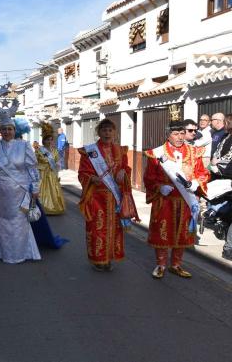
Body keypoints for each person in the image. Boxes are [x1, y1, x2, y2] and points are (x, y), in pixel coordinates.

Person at [144, 120, 210, 279]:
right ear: (168, 135)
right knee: (163, 232)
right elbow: (149, 177)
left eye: (182, 133)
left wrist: (196, 183)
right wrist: (159, 187)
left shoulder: (194, 152)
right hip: (164, 201)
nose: (180, 137)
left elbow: (203, 173)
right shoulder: (157, 153)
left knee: (182, 234)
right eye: (176, 133)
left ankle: (176, 265)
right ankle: (161, 265)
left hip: (186, 201)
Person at [0, 91, 42, 264]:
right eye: (4, 129)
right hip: (1, 191)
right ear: (0, 131)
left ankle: (23, 251)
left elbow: (32, 168)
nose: (7, 131)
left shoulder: (24, 145)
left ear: (15, 130)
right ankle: (2, 251)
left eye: (10, 129)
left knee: (20, 219)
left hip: (21, 190)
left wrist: (36, 188)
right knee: (4, 218)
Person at [78, 118, 138, 272]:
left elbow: (126, 168)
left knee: (114, 229)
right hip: (97, 197)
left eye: (110, 130)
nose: (107, 133)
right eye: (104, 130)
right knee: (97, 228)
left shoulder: (120, 150)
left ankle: (109, 257)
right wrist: (92, 178)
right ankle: (98, 260)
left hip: (115, 198)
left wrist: (124, 173)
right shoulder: (90, 151)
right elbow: (82, 173)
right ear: (99, 132)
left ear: (114, 133)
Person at [207, 114, 232, 261]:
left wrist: (216, 164)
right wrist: (216, 166)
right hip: (225, 177)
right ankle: (229, 248)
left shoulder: (225, 137)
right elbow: (217, 158)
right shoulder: (225, 137)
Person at [36, 122, 65, 215]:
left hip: (52, 174)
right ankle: (41, 207)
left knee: (53, 190)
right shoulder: (39, 150)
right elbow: (34, 163)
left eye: (51, 140)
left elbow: (57, 162)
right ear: (43, 141)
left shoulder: (55, 151)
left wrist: (57, 166)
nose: (49, 141)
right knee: (41, 190)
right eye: (47, 140)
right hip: (42, 174)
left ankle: (54, 207)